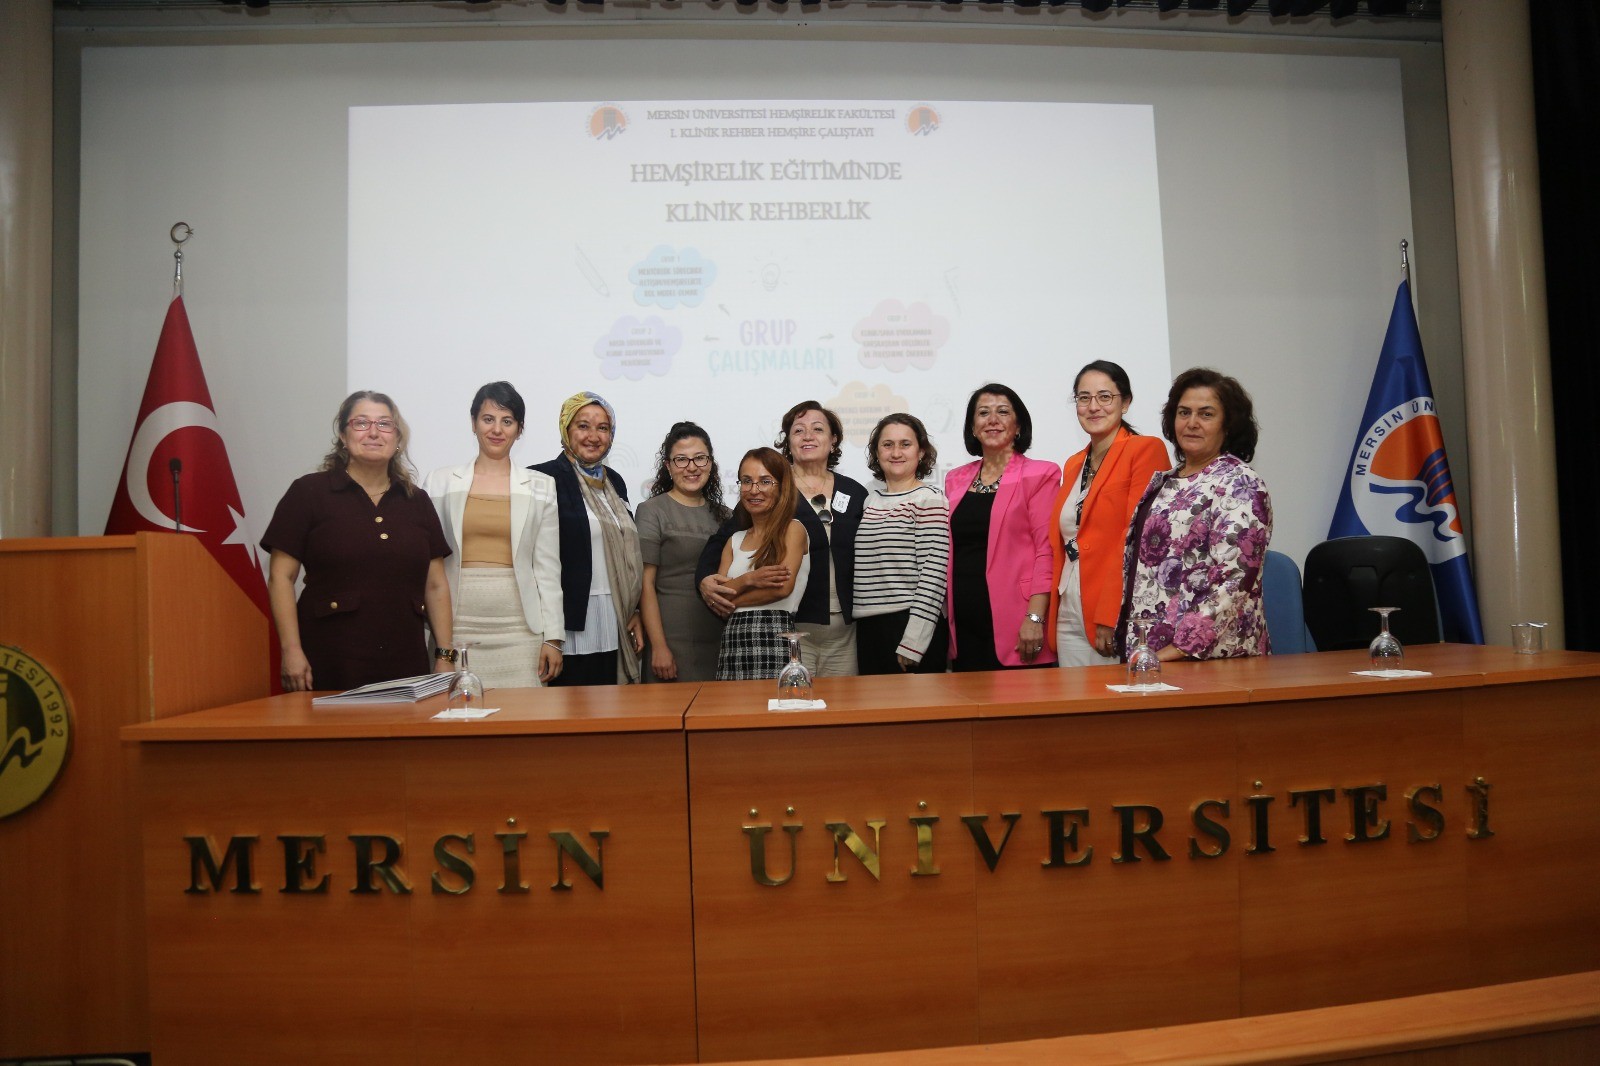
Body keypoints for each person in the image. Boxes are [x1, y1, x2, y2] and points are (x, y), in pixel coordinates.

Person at [263, 390, 453, 692]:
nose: (374, 432)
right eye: (361, 423)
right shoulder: (308, 493)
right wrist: (291, 650)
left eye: (385, 424)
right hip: (329, 660)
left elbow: (436, 585)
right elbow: (280, 578)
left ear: (398, 438)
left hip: (405, 662)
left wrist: (445, 656)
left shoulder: (417, 501)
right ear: (343, 435)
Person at [697, 401, 867, 677]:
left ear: (833, 440)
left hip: (845, 631)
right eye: (798, 430)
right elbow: (724, 539)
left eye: (817, 429)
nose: (808, 436)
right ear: (788, 441)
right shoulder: (771, 490)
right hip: (792, 627)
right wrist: (705, 579)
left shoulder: (855, 492)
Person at [1118, 367, 1273, 660]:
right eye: (1184, 412)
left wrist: (1179, 649)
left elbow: (1236, 577)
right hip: (1153, 652)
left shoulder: (1239, 482)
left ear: (1228, 424)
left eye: (1206, 414)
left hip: (1215, 658)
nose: (1192, 423)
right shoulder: (1166, 480)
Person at [422, 381, 563, 689]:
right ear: (473, 423)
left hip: (521, 629)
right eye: (488, 419)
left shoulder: (542, 486)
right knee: (460, 713)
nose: (497, 429)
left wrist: (553, 638)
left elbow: (548, 569)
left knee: (524, 715)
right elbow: (429, 567)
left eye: (507, 421)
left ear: (519, 429)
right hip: (455, 626)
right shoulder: (439, 482)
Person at [1048, 362, 1171, 667]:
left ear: (1125, 402)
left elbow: (1135, 538)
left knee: (1111, 695)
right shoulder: (1074, 464)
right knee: (1071, 696)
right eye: (1084, 397)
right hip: (1068, 601)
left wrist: (1109, 611)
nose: (1093, 407)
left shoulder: (1145, 449)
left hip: (1112, 606)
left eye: (1105, 397)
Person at [945, 383, 1060, 671]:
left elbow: (1046, 551)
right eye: (983, 413)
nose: (992, 420)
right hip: (964, 624)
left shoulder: (1041, 474)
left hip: (1019, 624)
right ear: (973, 427)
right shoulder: (955, 479)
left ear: (1018, 425)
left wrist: (1035, 618)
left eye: (1003, 412)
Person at [532, 391, 644, 685]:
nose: (593, 436)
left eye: (602, 428)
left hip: (614, 617)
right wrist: (550, 636)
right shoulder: (542, 478)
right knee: (569, 705)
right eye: (583, 426)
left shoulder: (614, 481)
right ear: (566, 428)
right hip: (567, 624)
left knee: (611, 704)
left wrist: (633, 609)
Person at [853, 414, 950, 674]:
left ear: (921, 452)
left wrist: (913, 643)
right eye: (887, 445)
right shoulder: (870, 501)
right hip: (869, 628)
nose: (896, 453)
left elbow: (934, 575)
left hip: (910, 626)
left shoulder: (929, 499)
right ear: (877, 453)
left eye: (905, 444)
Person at [636, 422, 731, 683]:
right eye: (681, 459)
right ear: (668, 466)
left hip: (720, 640)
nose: (692, 467)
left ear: (710, 463)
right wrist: (659, 647)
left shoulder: (727, 516)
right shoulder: (651, 511)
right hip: (670, 641)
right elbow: (645, 584)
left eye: (700, 458)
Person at [714, 448, 811, 681]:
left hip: (775, 635)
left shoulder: (793, 529)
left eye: (765, 481)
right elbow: (718, 598)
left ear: (782, 487)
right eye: (747, 481)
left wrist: (732, 599)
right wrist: (750, 579)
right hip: (733, 640)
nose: (754, 490)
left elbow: (781, 589)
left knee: (776, 702)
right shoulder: (734, 540)